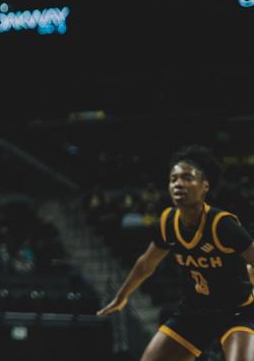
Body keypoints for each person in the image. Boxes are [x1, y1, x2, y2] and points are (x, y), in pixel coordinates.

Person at [98, 146, 254, 360]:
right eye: (173, 179)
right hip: (194, 312)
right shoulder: (167, 222)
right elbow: (146, 264)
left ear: (204, 186)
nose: (178, 184)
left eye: (187, 178)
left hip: (235, 311)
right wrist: (122, 296)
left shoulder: (221, 224)